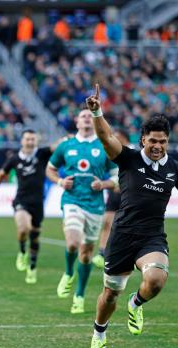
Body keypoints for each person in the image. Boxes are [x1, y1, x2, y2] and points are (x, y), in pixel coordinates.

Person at [85, 85, 178, 348]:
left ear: (167, 142)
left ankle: (136, 302)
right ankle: (99, 333)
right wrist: (96, 112)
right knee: (109, 295)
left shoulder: (175, 168)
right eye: (153, 141)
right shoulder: (127, 159)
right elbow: (106, 136)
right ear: (143, 140)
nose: (158, 146)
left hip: (151, 237)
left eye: (162, 142)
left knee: (156, 279)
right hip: (123, 236)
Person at [46, 110, 118, 314]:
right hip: (72, 201)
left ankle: (79, 295)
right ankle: (69, 272)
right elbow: (50, 169)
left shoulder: (103, 146)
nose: (86, 117)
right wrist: (60, 181)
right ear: (77, 121)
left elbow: (116, 177)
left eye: (89, 115)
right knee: (72, 242)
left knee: (86, 256)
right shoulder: (66, 146)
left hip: (95, 206)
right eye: (83, 115)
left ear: (94, 122)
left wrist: (103, 184)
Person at [0, 129, 53, 284]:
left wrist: (67, 139)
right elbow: (1, 174)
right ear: (22, 141)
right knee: (23, 229)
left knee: (35, 235)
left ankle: (32, 268)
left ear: (36, 141)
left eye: (32, 139)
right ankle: (22, 251)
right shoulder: (15, 158)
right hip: (21, 200)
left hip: (38, 203)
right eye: (27, 139)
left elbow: (56, 147)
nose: (30, 142)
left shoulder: (42, 154)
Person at [92, 129, 131, 268]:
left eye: (117, 136)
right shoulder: (113, 153)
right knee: (107, 222)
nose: (113, 139)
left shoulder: (133, 153)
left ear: (124, 138)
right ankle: (102, 253)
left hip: (129, 194)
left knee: (126, 225)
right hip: (114, 192)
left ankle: (127, 255)